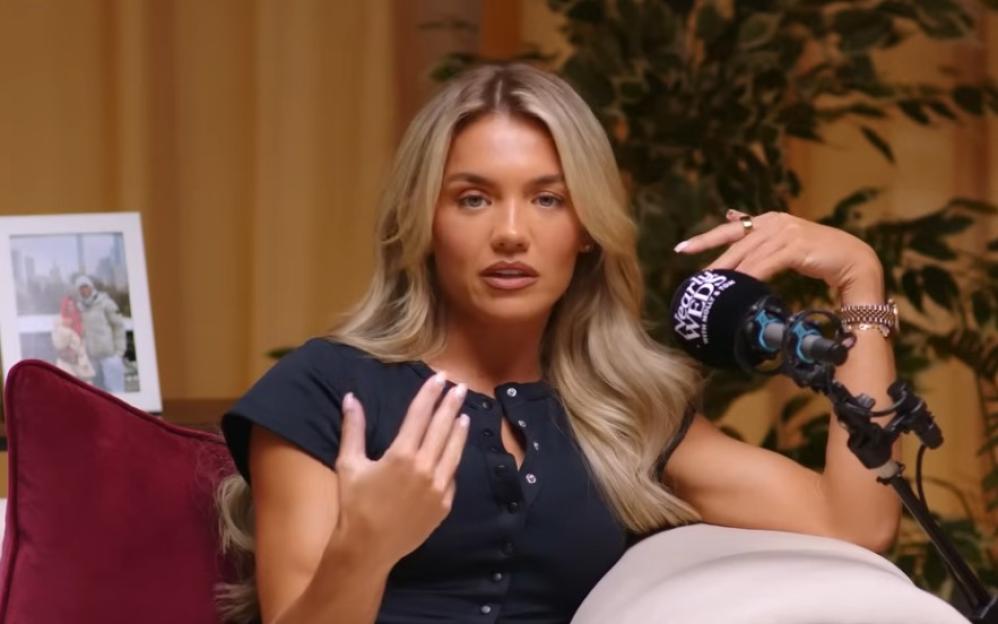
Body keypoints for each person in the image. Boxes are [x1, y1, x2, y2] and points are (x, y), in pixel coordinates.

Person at [216, 64, 901, 624]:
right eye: (473, 198)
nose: (511, 233)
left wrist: (858, 281)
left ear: (587, 228)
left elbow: (853, 524)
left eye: (547, 199)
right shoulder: (326, 390)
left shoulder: (621, 412)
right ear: (424, 222)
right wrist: (365, 549)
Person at [73, 274, 127, 392]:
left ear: (91, 287)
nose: (84, 290)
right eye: (80, 288)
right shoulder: (79, 307)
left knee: (116, 392)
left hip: (109, 355)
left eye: (85, 286)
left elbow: (118, 326)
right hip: (92, 357)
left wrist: (119, 351)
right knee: (97, 392)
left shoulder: (105, 303)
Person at [51, 295, 96, 383]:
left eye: (72, 305)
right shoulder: (59, 323)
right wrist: (64, 327)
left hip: (82, 362)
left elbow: (84, 341)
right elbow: (58, 344)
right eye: (67, 305)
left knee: (86, 387)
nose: (70, 308)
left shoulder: (81, 320)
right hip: (66, 363)